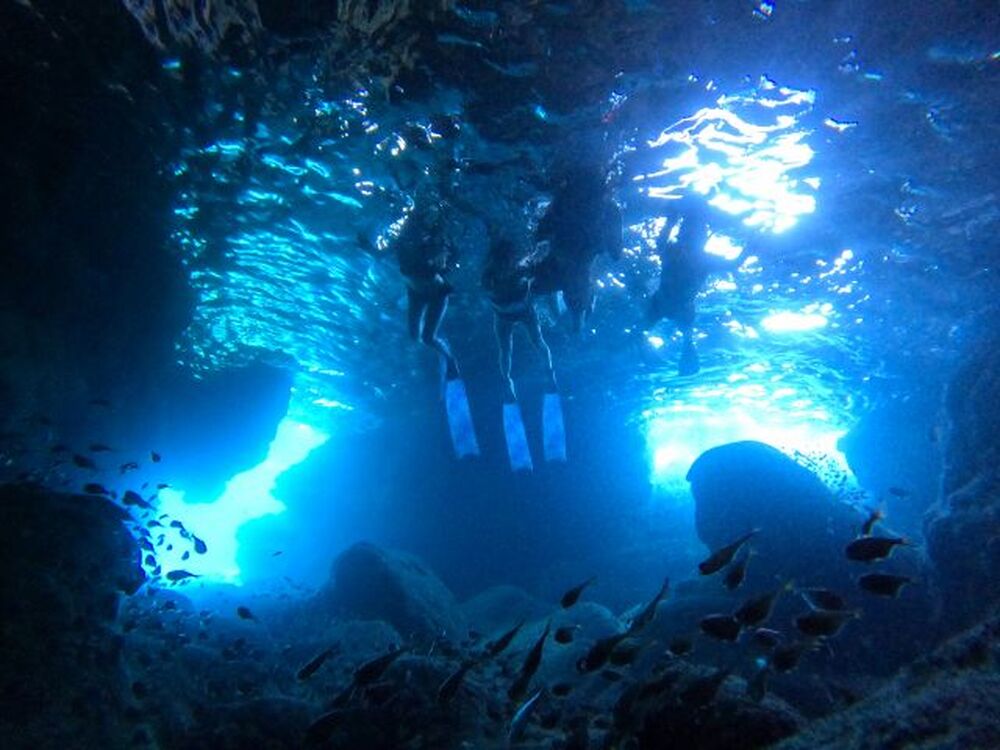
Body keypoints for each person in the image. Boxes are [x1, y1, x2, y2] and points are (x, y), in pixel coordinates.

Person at [647, 193, 741, 375]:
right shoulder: (704, 259)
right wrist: (751, 247)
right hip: (680, 306)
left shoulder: (674, 250)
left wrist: (671, 221)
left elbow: (660, 241)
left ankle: (682, 353)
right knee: (686, 337)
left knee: (643, 329)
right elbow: (734, 264)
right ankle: (687, 354)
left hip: (662, 302)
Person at [532, 162, 623, 333]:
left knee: (535, 289)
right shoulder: (610, 209)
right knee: (577, 319)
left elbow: (540, 233)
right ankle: (576, 320)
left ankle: (563, 306)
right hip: (578, 270)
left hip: (555, 263)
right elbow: (616, 253)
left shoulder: (564, 199)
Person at [481, 233, 557, 403]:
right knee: (507, 349)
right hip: (507, 314)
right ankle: (508, 382)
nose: (506, 266)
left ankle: (548, 374)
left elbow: (535, 256)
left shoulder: (519, 269)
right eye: (504, 263)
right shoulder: (492, 275)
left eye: (508, 262)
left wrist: (543, 248)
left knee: (534, 342)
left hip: (519, 311)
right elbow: (534, 257)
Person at [396, 198, 460, 381]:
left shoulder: (433, 242)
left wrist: (442, 260)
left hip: (436, 294)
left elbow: (446, 258)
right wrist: (369, 248)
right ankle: (441, 349)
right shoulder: (403, 240)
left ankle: (451, 361)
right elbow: (383, 252)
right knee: (414, 335)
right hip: (415, 292)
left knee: (427, 337)